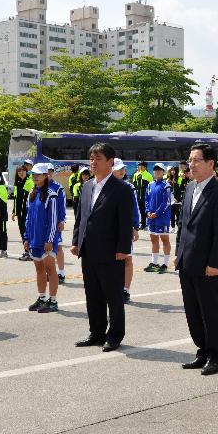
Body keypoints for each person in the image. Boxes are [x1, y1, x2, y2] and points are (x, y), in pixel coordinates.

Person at [175, 144, 218, 376]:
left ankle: (215, 355)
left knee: (211, 311)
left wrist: (215, 263)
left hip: (207, 264)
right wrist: (178, 254)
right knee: (192, 310)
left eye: (197, 160)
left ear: (211, 164)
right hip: (186, 261)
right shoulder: (190, 188)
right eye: (190, 160)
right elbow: (182, 225)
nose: (191, 164)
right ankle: (201, 349)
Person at [72, 143, 134, 352]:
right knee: (93, 294)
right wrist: (76, 242)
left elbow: (125, 222)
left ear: (110, 162)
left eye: (98, 158)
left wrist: (124, 249)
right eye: (91, 158)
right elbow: (80, 217)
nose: (93, 162)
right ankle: (96, 333)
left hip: (111, 251)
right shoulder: (87, 186)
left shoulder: (122, 189)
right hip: (89, 250)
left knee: (113, 295)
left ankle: (115, 335)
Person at [26, 163, 61, 313]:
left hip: (47, 240)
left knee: (50, 269)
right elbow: (28, 218)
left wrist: (50, 240)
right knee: (39, 269)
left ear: (46, 176)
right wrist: (26, 237)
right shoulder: (32, 194)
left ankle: (53, 301)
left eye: (38, 175)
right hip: (34, 239)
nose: (35, 177)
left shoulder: (51, 195)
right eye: (33, 174)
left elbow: (53, 220)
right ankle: (42, 298)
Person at [112, 159, 140, 303]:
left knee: (127, 259)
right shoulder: (104, 186)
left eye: (123, 168)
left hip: (125, 229)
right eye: (118, 169)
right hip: (109, 230)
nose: (122, 171)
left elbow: (134, 208)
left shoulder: (129, 187)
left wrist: (135, 227)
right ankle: (113, 289)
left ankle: (125, 290)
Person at [143, 163, 173, 274]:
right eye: (155, 170)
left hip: (162, 218)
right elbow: (146, 199)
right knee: (153, 239)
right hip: (151, 217)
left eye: (159, 170)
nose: (157, 171)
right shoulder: (150, 185)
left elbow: (167, 202)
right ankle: (154, 263)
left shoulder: (166, 185)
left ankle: (165, 264)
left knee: (165, 240)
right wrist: (147, 211)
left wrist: (156, 213)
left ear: (163, 172)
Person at [46, 162, 69, 284]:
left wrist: (61, 220)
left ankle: (61, 273)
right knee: (46, 249)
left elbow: (62, 206)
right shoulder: (38, 186)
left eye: (50, 171)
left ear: (53, 172)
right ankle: (50, 272)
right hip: (43, 224)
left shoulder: (58, 187)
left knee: (58, 247)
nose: (48, 173)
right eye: (46, 171)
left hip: (55, 223)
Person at [12, 165, 34, 261]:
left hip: (28, 213)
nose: (21, 172)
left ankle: (31, 252)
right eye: (19, 171)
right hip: (20, 214)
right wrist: (14, 211)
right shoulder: (17, 184)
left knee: (28, 232)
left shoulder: (29, 183)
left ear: (26, 171)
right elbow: (16, 199)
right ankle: (26, 251)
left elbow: (33, 198)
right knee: (22, 232)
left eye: (23, 171)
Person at [131, 161, 153, 229]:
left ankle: (148, 224)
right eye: (139, 165)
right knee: (140, 211)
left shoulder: (148, 175)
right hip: (138, 196)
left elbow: (151, 186)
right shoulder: (136, 174)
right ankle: (142, 224)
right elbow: (134, 185)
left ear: (145, 167)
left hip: (145, 196)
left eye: (141, 165)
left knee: (146, 210)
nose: (140, 167)